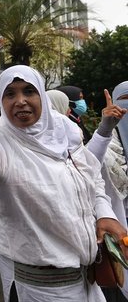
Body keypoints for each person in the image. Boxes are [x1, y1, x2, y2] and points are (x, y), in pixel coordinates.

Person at [0, 56, 128, 301]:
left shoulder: (64, 129)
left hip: (88, 283)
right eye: (10, 94)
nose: (20, 101)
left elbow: (91, 177)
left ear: (41, 94)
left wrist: (104, 215)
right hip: (40, 290)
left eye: (29, 91)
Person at [49, 86, 128, 302]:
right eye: (125, 99)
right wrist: (105, 129)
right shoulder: (103, 140)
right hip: (114, 225)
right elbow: (89, 166)